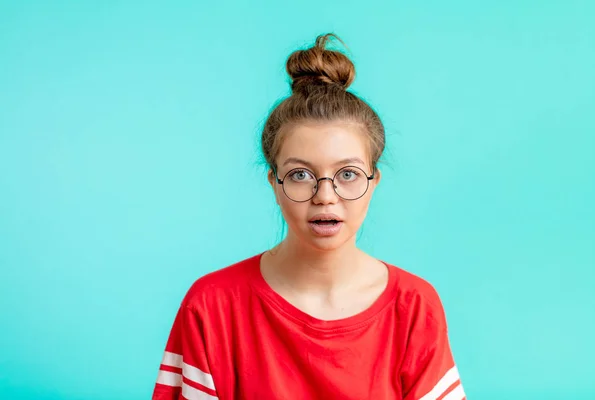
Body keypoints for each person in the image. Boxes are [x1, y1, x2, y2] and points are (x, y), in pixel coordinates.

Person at [152, 33, 466, 400]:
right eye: (301, 175)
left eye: (347, 174)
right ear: (274, 182)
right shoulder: (211, 305)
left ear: (374, 180)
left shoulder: (415, 306)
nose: (325, 196)